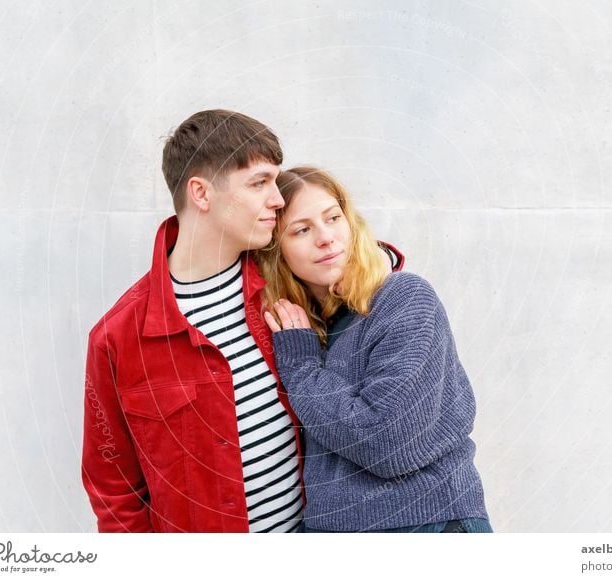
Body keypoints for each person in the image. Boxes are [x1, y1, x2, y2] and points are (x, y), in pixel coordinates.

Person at [81, 110, 306, 532]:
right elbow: (114, 493)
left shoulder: (289, 283)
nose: (278, 199)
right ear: (201, 194)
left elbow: (359, 281)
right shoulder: (116, 338)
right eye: (259, 183)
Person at [258, 167, 491, 532]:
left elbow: (388, 442)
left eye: (333, 218)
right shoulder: (305, 329)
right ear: (277, 253)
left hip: (425, 526)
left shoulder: (403, 298)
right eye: (301, 230)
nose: (325, 238)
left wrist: (302, 367)